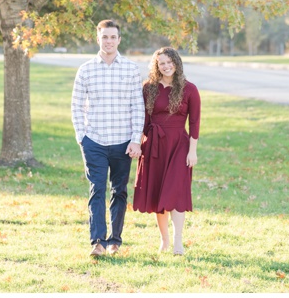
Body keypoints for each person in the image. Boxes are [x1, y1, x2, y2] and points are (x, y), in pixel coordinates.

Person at [71, 19, 145, 256]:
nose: (109, 41)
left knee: (119, 191)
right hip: (94, 141)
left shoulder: (131, 69)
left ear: (119, 40)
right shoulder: (86, 69)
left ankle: (115, 240)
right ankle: (98, 243)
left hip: (123, 141)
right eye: (105, 37)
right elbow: (76, 105)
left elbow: (138, 106)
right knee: (97, 189)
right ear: (98, 39)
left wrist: (136, 139)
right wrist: (82, 136)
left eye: (113, 37)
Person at [133, 47, 201, 255]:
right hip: (153, 145)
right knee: (157, 192)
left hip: (179, 145)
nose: (166, 66)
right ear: (156, 65)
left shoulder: (189, 89)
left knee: (176, 192)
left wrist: (192, 151)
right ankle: (164, 241)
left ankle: (178, 242)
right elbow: (142, 119)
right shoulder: (148, 88)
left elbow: (195, 122)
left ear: (177, 63)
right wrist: (139, 142)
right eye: (162, 63)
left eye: (170, 62)